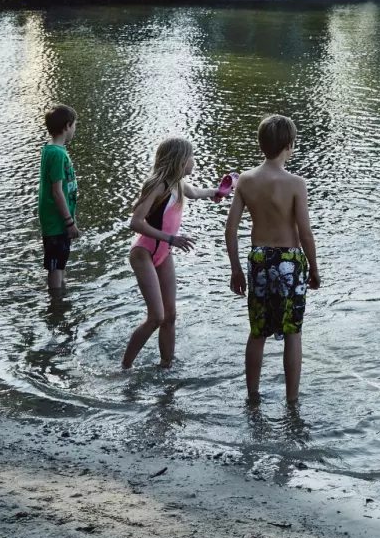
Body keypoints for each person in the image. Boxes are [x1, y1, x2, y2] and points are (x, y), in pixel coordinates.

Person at [226, 114, 322, 404]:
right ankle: (292, 400)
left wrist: (236, 270)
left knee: (258, 332)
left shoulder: (246, 180)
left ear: (260, 145)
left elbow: (230, 229)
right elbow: (305, 234)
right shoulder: (296, 184)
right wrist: (314, 270)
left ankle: (252, 396)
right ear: (290, 146)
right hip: (290, 262)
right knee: (292, 332)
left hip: (258, 260)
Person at [121, 137, 225, 370]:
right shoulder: (158, 185)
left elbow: (196, 192)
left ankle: (167, 366)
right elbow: (135, 222)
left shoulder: (178, 184)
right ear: (179, 160)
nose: (194, 161)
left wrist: (216, 192)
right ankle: (124, 368)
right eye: (191, 157)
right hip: (144, 252)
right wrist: (171, 239)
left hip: (164, 253)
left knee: (170, 315)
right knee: (156, 317)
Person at [38, 105, 80, 295]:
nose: (75, 129)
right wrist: (68, 221)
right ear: (66, 126)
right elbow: (57, 192)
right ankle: (55, 302)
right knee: (55, 265)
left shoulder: (53, 149)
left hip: (60, 220)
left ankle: (62, 298)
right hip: (57, 221)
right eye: (74, 125)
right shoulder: (56, 154)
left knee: (61, 260)